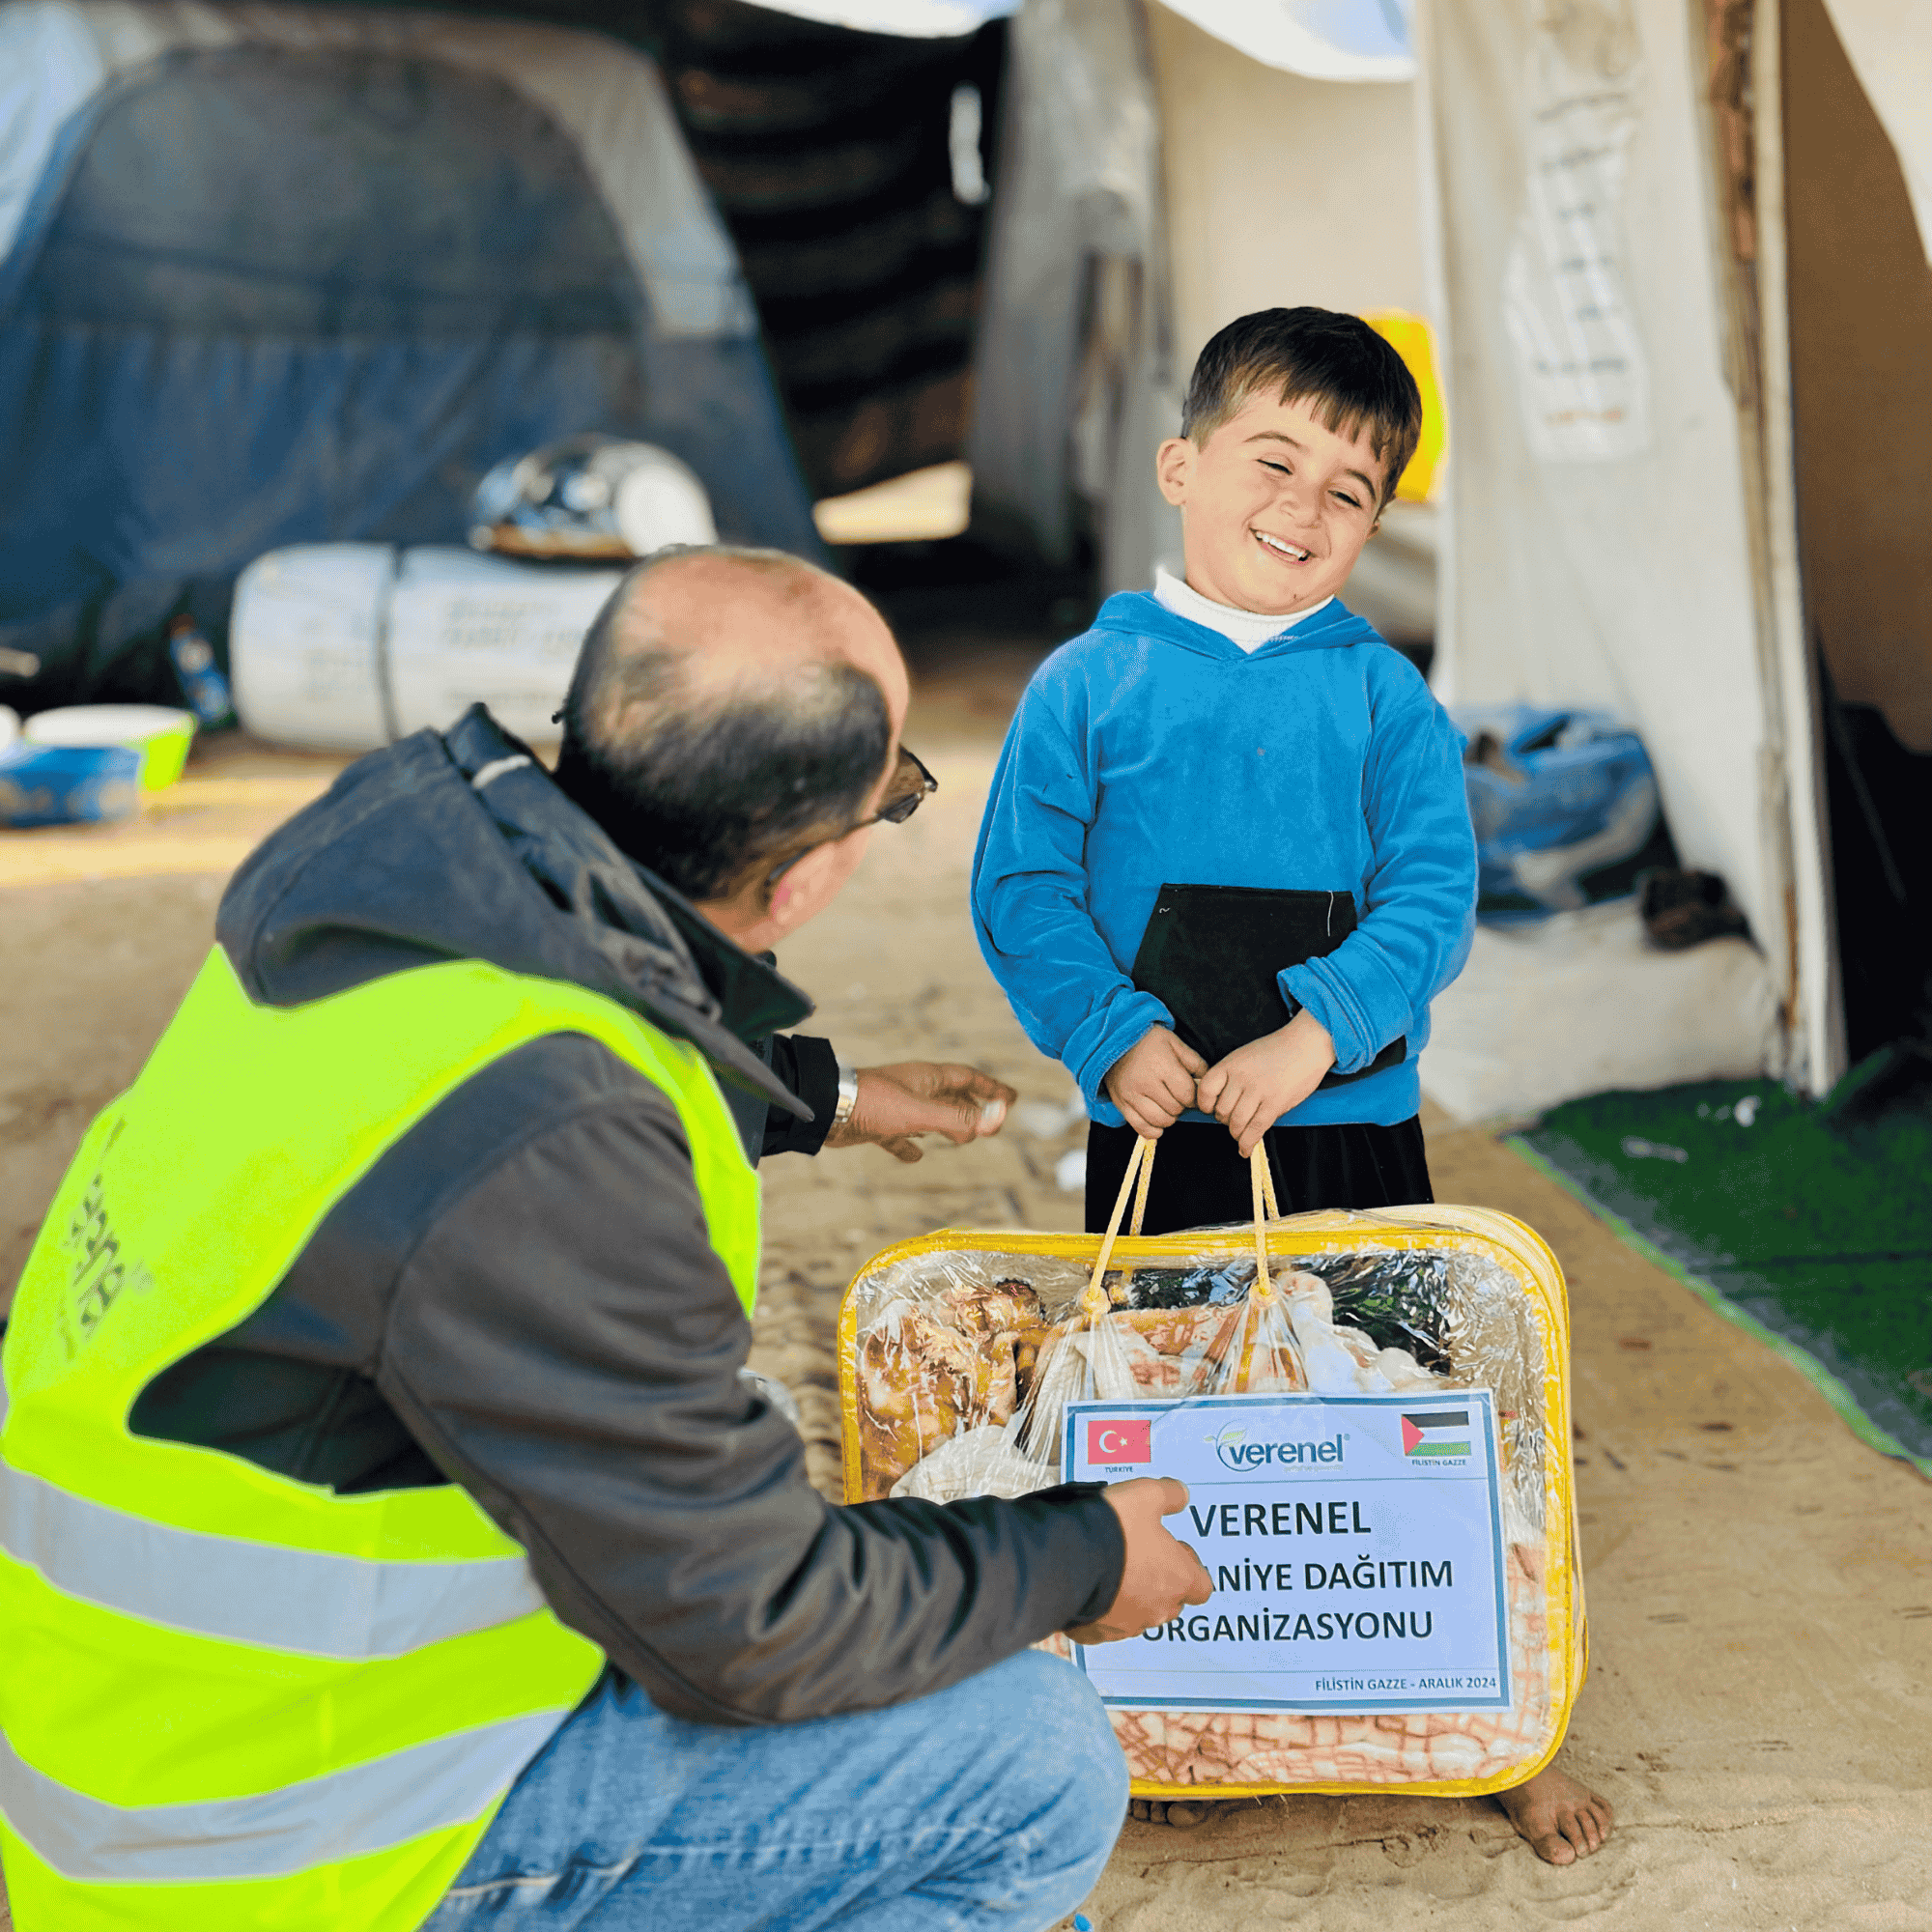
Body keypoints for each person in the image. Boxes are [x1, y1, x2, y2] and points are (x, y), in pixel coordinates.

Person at [0, 548, 1212, 1932]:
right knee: (1032, 1761)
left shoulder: (392, 861)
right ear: (811, 874)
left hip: (126, 1732)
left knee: (735, 1457)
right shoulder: (557, 1145)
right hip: (277, 1850)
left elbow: (453, 1129)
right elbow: (755, 1627)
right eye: (893, 797)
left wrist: (825, 1100)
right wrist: (1084, 1555)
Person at [971, 308, 1613, 1862]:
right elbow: (1022, 887)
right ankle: (1165, 1715)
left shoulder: (1383, 694)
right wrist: (1113, 1032)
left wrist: (1315, 1035)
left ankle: (1493, 1723)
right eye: (1276, 460)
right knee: (1168, 1418)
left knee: (1404, 1417)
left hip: (1353, 1130)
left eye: (1353, 489)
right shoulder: (1088, 681)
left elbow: (1430, 899)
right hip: (1153, 1142)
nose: (1308, 509)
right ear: (1181, 466)